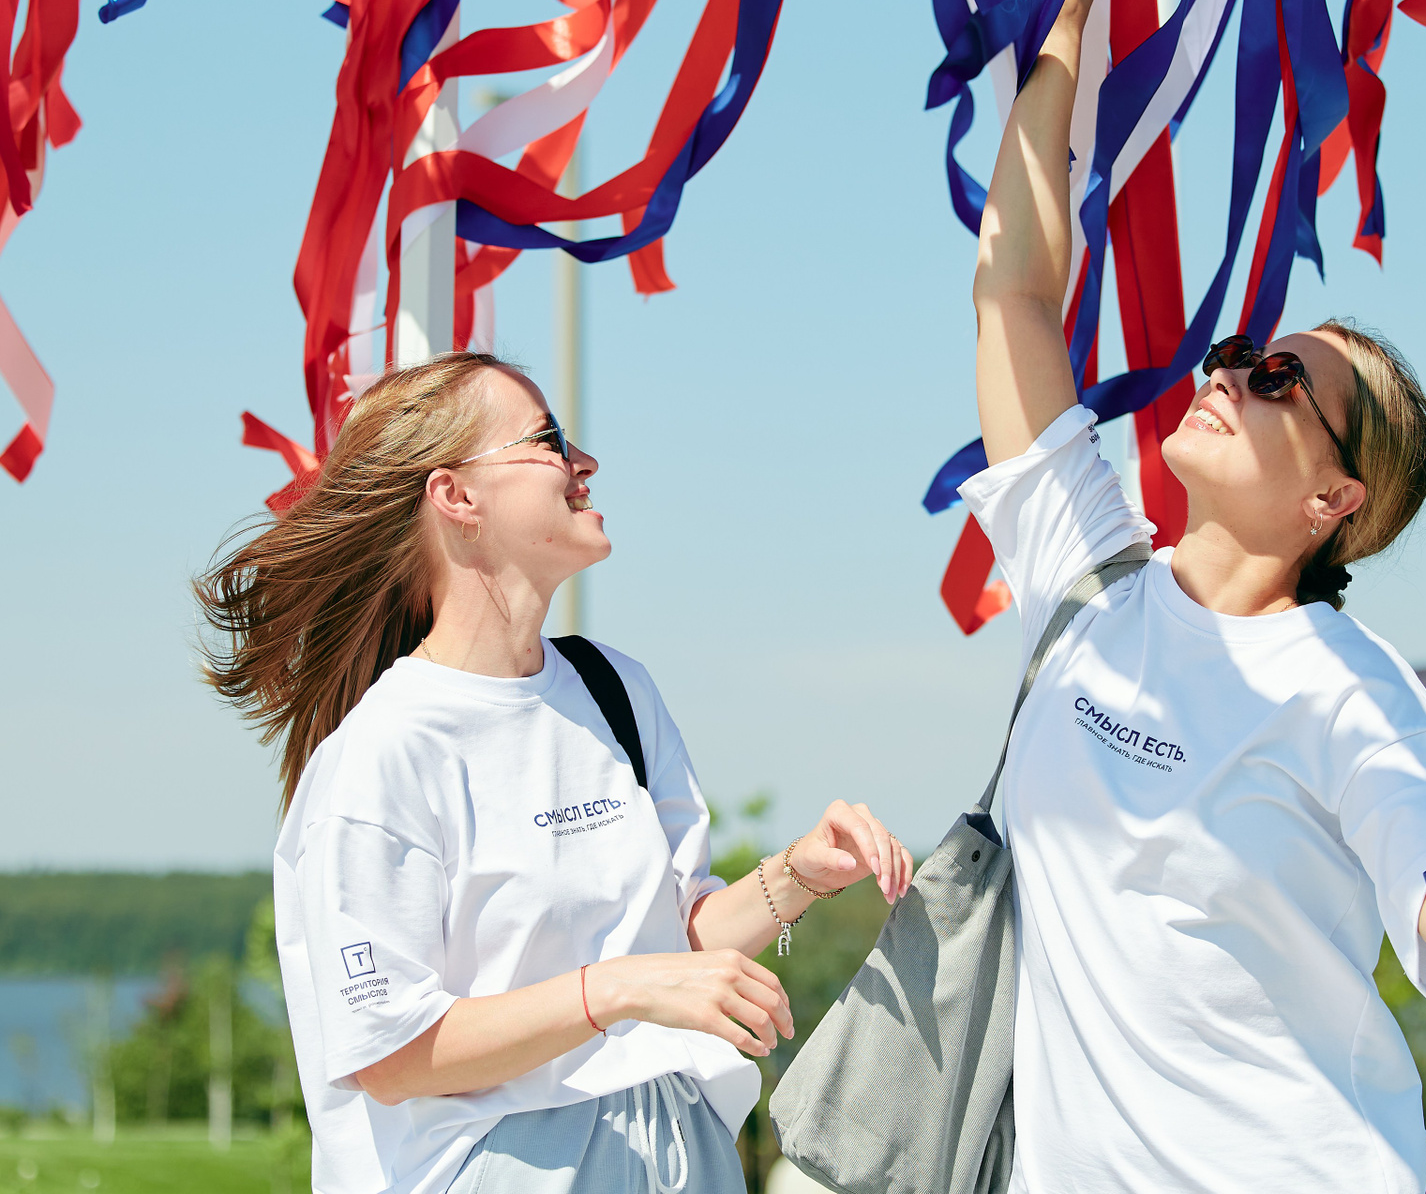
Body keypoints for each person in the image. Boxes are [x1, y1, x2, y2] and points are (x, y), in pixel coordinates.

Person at [959, 0, 1426, 1191]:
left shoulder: (1351, 690)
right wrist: (1067, 19)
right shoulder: (1090, 582)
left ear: (1334, 497)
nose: (1227, 373)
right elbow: (1013, 293)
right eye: (1237, 355)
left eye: (1279, 378)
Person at [197, 352, 914, 1194]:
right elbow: (391, 1055)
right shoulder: (383, 752)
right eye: (549, 440)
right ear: (456, 497)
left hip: (680, 1146)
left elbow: (669, 950)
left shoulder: (617, 691)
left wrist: (796, 875)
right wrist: (615, 991)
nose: (586, 463)